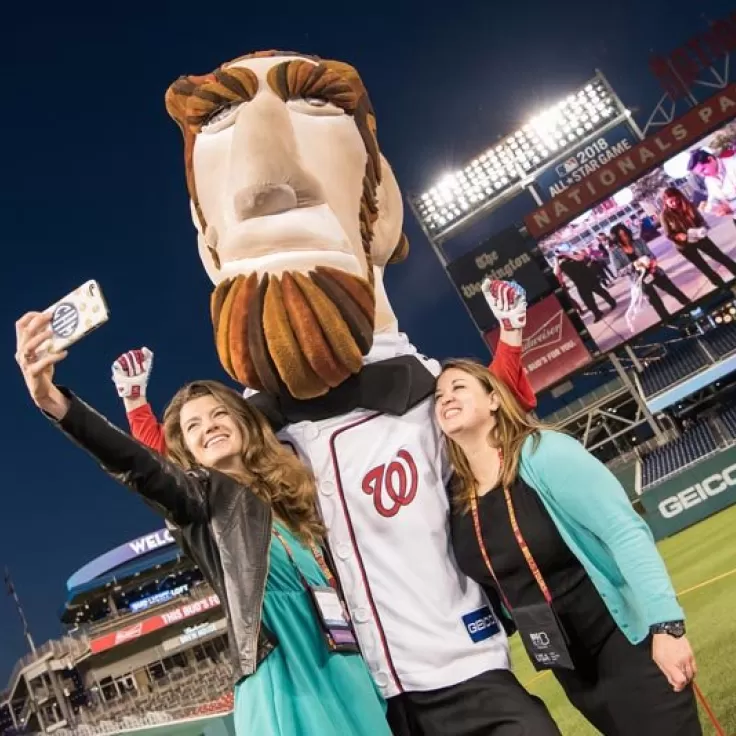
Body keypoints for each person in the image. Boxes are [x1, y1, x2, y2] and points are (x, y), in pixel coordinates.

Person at [111, 281, 561, 736]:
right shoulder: (280, 471)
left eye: (219, 418)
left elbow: (486, 414)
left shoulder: (410, 402)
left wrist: (511, 336)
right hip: (370, 688)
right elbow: (178, 471)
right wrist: (136, 409)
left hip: (460, 659)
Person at [15, 311, 392, 736]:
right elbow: (141, 466)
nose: (208, 427)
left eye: (218, 415)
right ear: (187, 451)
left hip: (346, 668)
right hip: (286, 678)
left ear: (243, 423)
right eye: (192, 426)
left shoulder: (293, 499)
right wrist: (55, 402)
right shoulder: (203, 501)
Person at [434, 359, 702, 736]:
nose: (446, 398)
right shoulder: (458, 500)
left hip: (624, 644)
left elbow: (624, 532)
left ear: (494, 399)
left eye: (458, 387)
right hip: (568, 665)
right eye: (439, 396)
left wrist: (667, 627)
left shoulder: (543, 453)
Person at [609, 222, 690, 322]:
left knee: (674, 291)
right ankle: (669, 321)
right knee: (656, 303)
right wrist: (633, 265)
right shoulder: (615, 253)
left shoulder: (638, 242)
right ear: (616, 238)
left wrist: (652, 264)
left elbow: (651, 255)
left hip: (654, 272)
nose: (624, 237)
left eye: (625, 234)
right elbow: (619, 272)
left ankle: (690, 306)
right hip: (640, 281)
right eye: (621, 236)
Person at [660, 185, 736, 289]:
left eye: (676, 200)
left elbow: (701, 221)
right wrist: (677, 236)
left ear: (679, 197)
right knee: (704, 267)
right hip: (684, 246)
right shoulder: (664, 215)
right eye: (670, 201)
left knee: (720, 257)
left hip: (699, 237)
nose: (674, 203)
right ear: (665, 202)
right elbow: (668, 234)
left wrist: (703, 229)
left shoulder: (688, 205)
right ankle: (723, 287)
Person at [553, 244, 617, 322]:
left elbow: (580, 258)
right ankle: (597, 313)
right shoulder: (561, 264)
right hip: (580, 284)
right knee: (587, 301)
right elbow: (556, 273)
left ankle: (612, 302)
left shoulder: (575, 254)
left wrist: (567, 254)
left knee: (601, 292)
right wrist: (556, 261)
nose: (561, 255)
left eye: (561, 252)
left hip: (590, 278)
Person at [687, 148, 736, 217]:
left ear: (710, 159)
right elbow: (713, 198)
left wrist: (731, 206)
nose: (703, 175)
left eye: (703, 169)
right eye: (699, 173)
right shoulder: (708, 180)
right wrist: (708, 207)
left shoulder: (733, 164)